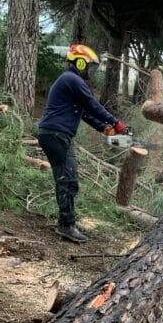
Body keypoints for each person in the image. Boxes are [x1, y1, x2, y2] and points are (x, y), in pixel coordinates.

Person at [38, 44, 126, 243]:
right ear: (79, 62)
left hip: (55, 134)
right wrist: (115, 122)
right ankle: (66, 225)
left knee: (67, 178)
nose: (91, 72)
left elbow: (85, 112)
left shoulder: (70, 81)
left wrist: (103, 128)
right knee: (67, 180)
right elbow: (92, 104)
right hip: (56, 134)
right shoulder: (72, 79)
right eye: (90, 66)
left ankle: (67, 220)